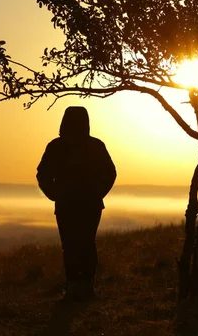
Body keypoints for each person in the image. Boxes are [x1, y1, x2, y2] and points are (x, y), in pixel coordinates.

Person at [36, 106, 116, 301]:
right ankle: (84, 286)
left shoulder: (56, 146)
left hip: (69, 205)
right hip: (87, 205)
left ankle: (75, 286)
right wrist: (97, 194)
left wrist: (55, 194)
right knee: (86, 243)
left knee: (71, 245)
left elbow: (42, 175)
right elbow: (110, 173)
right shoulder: (95, 145)